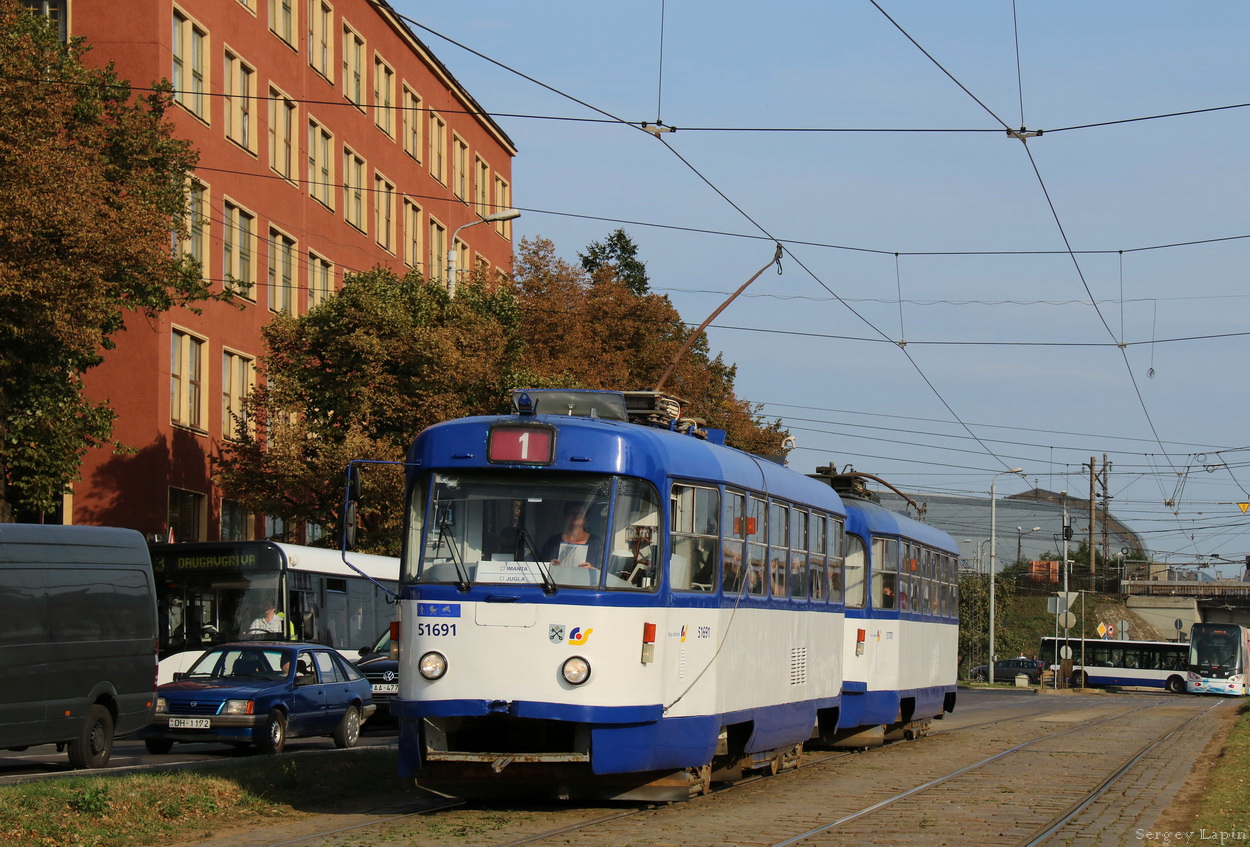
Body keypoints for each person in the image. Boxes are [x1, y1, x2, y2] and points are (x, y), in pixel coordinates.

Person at [540, 502, 603, 568]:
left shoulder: (596, 542)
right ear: (566, 516)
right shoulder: (553, 542)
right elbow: (541, 568)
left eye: (580, 513)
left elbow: (603, 572)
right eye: (571, 512)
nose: (576, 515)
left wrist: (591, 569)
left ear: (586, 517)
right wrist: (549, 566)